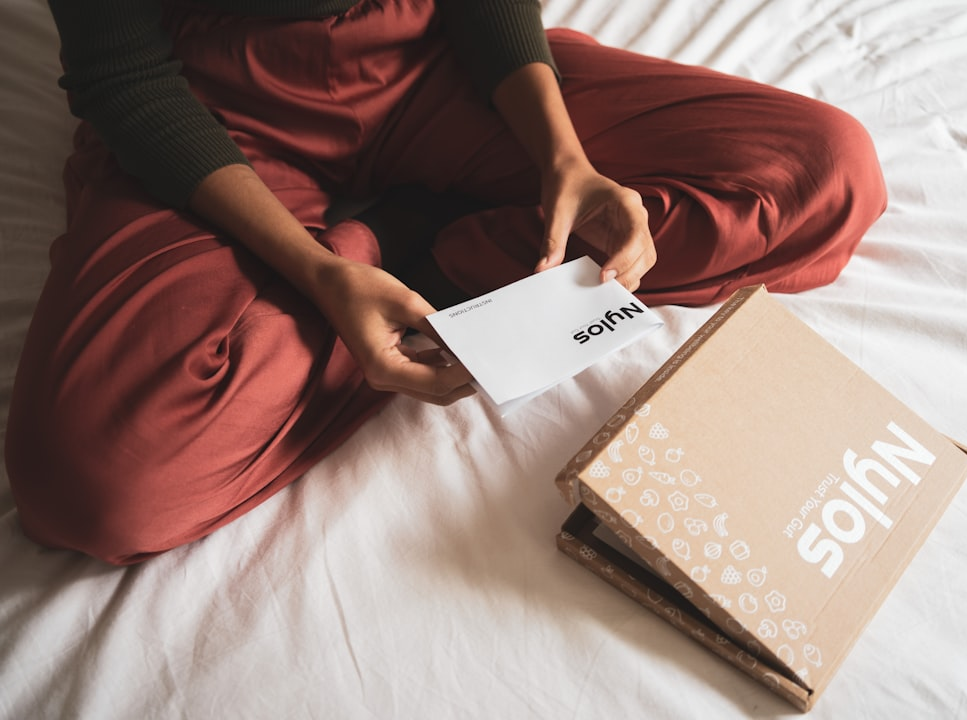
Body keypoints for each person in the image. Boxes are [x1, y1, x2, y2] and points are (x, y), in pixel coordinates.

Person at [5, 0, 887, 565]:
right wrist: (323, 271)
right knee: (94, 485)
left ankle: (436, 265)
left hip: (430, 55)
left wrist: (563, 159)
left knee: (823, 172)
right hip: (210, 107)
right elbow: (124, 77)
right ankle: (396, 256)